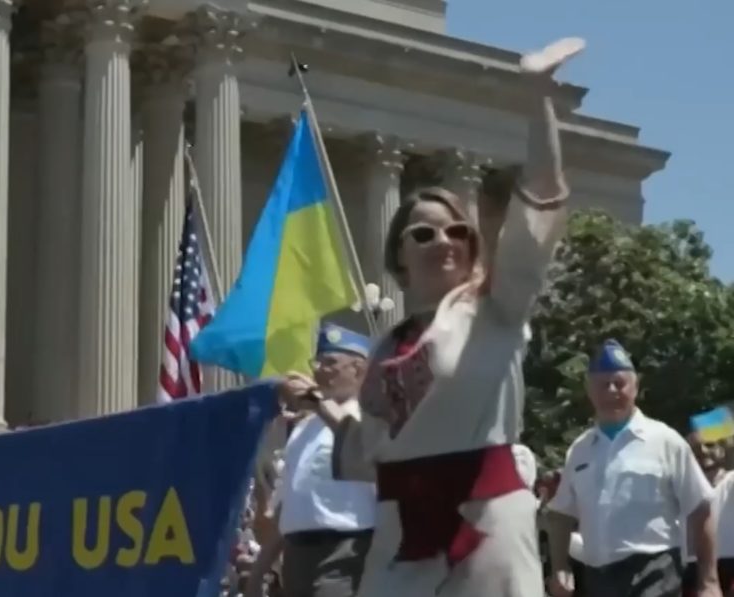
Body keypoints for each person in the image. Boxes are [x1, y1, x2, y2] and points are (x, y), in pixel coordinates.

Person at [277, 37, 584, 597]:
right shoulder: (386, 346)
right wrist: (318, 404)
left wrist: (538, 97)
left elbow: (538, 206)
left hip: (484, 522)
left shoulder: (495, 309)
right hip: (404, 530)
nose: (443, 240)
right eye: (424, 233)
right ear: (399, 254)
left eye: (457, 231)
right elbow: (370, 451)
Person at [546, 340, 720, 597]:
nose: (611, 391)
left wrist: (709, 581)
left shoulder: (665, 441)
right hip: (598, 578)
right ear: (589, 391)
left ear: (635, 387)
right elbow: (561, 514)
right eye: (603, 385)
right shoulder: (580, 450)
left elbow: (700, 509)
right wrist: (560, 566)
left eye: (619, 383)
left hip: (655, 571)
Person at [249, 324, 377, 597]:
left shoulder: (371, 420)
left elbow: (363, 448)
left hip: (343, 551)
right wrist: (259, 570)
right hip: (297, 555)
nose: (319, 370)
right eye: (317, 362)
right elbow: (289, 508)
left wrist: (318, 402)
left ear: (358, 369)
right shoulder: (304, 429)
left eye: (330, 363)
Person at [683, 431, 734, 596]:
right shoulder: (681, 488)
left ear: (723, 449)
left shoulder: (730, 481)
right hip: (691, 566)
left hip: (729, 562)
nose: (703, 451)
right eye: (695, 448)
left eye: (710, 445)